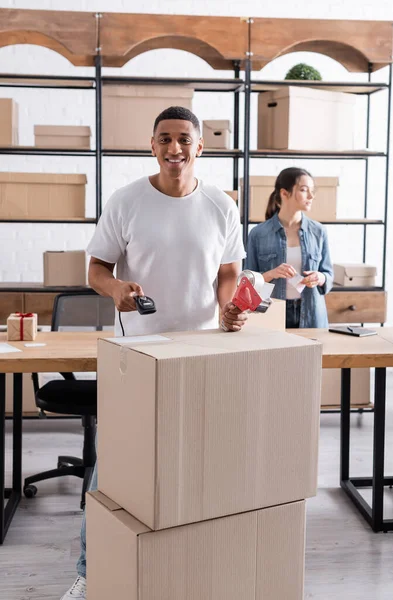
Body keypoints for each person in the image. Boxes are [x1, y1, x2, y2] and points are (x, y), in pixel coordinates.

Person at [60, 106, 247, 600]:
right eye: (164, 139)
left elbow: (229, 270)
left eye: (184, 139)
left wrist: (227, 308)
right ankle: (90, 571)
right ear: (152, 146)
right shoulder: (127, 202)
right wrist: (116, 288)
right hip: (138, 355)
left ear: (199, 147)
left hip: (203, 352)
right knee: (113, 473)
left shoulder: (221, 206)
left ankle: (191, 568)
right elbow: (95, 268)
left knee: (200, 467)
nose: (174, 148)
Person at [245, 167, 333, 328]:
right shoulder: (258, 234)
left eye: (312, 191)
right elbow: (247, 283)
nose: (311, 196)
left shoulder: (318, 231)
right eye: (304, 190)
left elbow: (329, 275)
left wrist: (320, 277)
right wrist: (271, 273)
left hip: (311, 313)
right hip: (272, 312)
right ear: (284, 193)